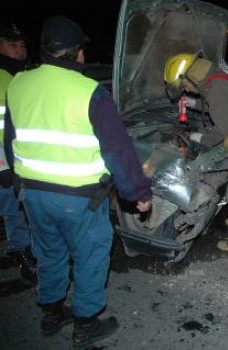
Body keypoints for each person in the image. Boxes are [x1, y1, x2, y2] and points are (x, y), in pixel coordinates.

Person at [3, 15, 153, 348]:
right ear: (77, 53)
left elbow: (10, 142)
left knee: (50, 254)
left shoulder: (19, 85)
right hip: (80, 200)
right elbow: (119, 151)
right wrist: (138, 193)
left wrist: (20, 183)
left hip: (34, 195)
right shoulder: (90, 92)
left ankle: (51, 314)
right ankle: (86, 324)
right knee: (91, 255)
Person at [164, 52, 228, 252]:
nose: (187, 90)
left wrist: (197, 137)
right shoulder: (214, 77)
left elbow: (221, 129)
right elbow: (217, 103)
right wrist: (193, 104)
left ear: (190, 76)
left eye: (184, 86)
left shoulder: (216, 86)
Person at [0, 22, 37, 284]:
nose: (19, 50)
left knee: (23, 208)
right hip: (3, 161)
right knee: (13, 208)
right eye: (12, 45)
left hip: (23, 158)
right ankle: (20, 252)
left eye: (22, 45)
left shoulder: (23, 76)